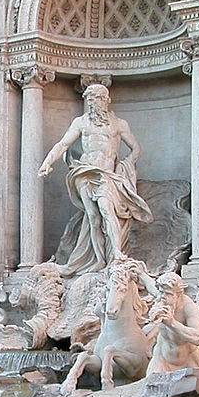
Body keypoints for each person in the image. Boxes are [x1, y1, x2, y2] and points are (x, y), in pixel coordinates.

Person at [38, 83, 152, 274]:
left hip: (106, 174)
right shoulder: (81, 122)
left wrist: (125, 166)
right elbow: (63, 144)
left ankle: (116, 254)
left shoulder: (118, 124)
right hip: (84, 172)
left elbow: (136, 148)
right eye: (90, 99)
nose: (93, 103)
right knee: (92, 217)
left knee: (107, 211)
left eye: (98, 98)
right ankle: (99, 259)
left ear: (107, 100)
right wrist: (47, 163)